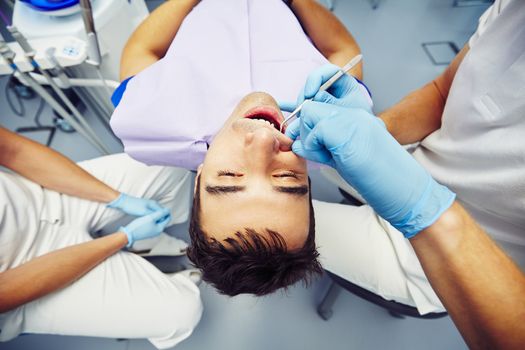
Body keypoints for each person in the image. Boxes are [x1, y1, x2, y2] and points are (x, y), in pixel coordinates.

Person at [281, 0, 525, 347]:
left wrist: (428, 212)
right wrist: (373, 131)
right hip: (408, 160)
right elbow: (443, 92)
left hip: (448, 263)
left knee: (275, 227)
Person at [111, 0, 371, 296]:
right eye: (286, 177)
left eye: (230, 176)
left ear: (199, 180)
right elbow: (342, 50)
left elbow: (143, 50)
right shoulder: (332, 116)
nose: (263, 139)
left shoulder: (147, 119)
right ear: (308, 185)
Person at [0, 127, 202, 349]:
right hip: (30, 279)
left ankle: (144, 245)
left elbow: (13, 150)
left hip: (40, 197)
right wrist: (123, 237)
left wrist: (118, 199)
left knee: (170, 165)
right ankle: (146, 267)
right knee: (182, 314)